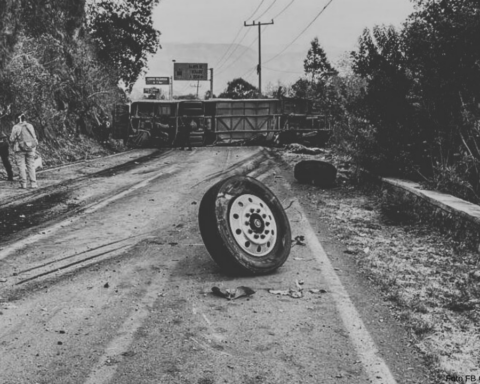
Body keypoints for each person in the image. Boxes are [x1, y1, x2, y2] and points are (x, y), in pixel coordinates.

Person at [10, 113, 38, 189]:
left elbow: (11, 139)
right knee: (31, 166)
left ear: (17, 119)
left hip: (19, 149)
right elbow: (34, 137)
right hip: (31, 148)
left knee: (21, 166)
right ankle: (33, 184)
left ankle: (24, 184)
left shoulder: (16, 127)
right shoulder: (30, 126)